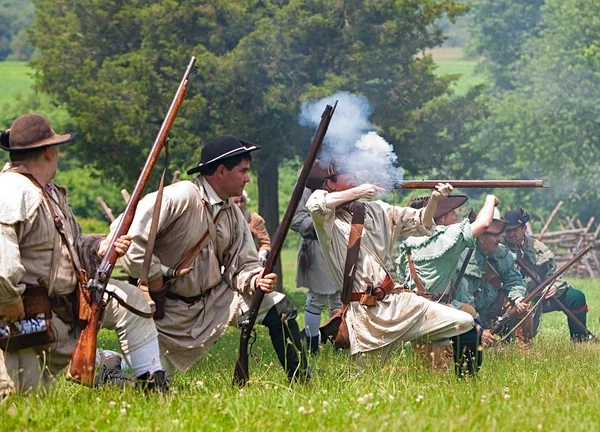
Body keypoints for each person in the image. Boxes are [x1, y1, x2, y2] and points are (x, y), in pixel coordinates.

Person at [115, 135, 309, 382]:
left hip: (215, 302)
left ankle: (302, 381)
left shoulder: (232, 212)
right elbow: (131, 242)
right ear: (220, 171)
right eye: (243, 171)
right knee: (153, 388)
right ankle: (108, 363)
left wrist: (255, 280)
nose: (248, 178)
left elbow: (242, 264)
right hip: (167, 313)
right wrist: (154, 278)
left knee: (278, 307)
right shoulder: (179, 196)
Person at [0, 113, 164, 393]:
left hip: (65, 308)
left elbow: (73, 244)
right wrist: (8, 297)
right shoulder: (13, 189)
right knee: (18, 401)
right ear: (50, 152)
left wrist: (100, 249)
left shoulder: (49, 193)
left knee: (132, 301)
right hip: (27, 318)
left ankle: (154, 388)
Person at [306, 162, 480, 376]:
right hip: (365, 313)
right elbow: (316, 205)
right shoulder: (326, 218)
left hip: (399, 301)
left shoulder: (378, 210)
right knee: (360, 383)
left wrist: (434, 200)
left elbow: (421, 223)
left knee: (465, 322)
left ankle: (467, 385)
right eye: (346, 175)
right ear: (329, 185)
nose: (354, 177)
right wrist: (359, 191)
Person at [395, 194, 497, 369]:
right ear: (441, 218)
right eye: (452, 214)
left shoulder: (410, 242)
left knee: (470, 314)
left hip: (414, 309)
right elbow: (484, 224)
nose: (455, 218)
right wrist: (490, 199)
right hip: (433, 314)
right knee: (435, 376)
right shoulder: (445, 238)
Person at [503, 208, 590, 341]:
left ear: (524, 229)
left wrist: (554, 286)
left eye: (515, 229)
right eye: (508, 230)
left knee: (576, 297)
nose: (511, 234)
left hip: (541, 295)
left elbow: (554, 274)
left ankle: (579, 340)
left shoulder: (538, 248)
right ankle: (509, 340)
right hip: (514, 297)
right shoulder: (499, 249)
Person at [454, 209, 531, 347]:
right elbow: (464, 302)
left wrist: (518, 297)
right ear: (481, 236)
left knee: (524, 306)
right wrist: (478, 330)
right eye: (495, 235)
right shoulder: (463, 258)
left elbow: (514, 280)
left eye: (499, 234)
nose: (499, 238)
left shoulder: (501, 253)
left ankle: (524, 352)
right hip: (471, 318)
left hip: (494, 312)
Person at [291, 186, 341, 355]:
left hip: (341, 246)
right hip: (317, 247)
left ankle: (340, 343)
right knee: (316, 299)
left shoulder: (341, 182)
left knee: (340, 299)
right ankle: (312, 348)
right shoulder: (305, 188)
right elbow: (295, 220)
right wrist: (321, 219)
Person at [233, 191, 271, 265]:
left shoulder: (254, 219)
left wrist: (261, 255)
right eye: (236, 202)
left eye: (242, 201)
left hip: (250, 261)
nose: (239, 204)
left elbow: (265, 243)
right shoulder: (224, 218)